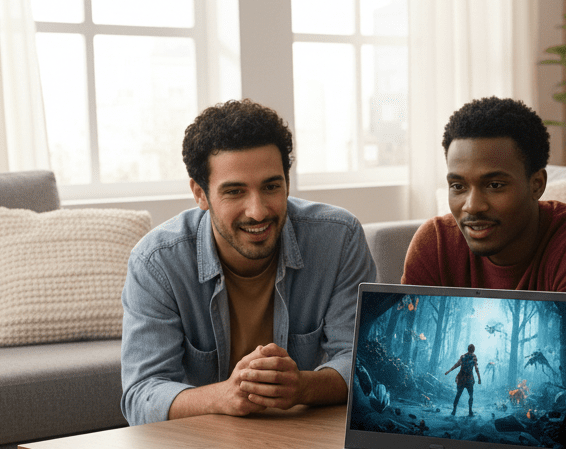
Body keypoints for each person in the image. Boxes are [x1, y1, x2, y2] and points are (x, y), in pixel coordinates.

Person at [121, 99, 376, 426]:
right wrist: (223, 396)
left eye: (271, 186)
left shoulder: (339, 238)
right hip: (199, 445)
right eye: (235, 192)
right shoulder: (157, 262)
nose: (257, 211)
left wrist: (301, 387)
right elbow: (140, 395)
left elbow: (360, 362)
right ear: (200, 193)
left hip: (299, 434)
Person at [401, 96, 566, 378]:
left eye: (495, 185)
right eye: (458, 186)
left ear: (537, 185)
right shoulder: (434, 243)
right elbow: (410, 355)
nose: (472, 205)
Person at [445, 343, 482, 416]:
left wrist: (449, 371)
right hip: (467, 378)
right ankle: (469, 411)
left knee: (459, 394)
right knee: (469, 396)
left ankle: (454, 411)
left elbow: (457, 365)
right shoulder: (472, 357)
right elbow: (476, 368)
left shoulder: (464, 356)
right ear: (474, 350)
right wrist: (479, 378)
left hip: (463, 378)